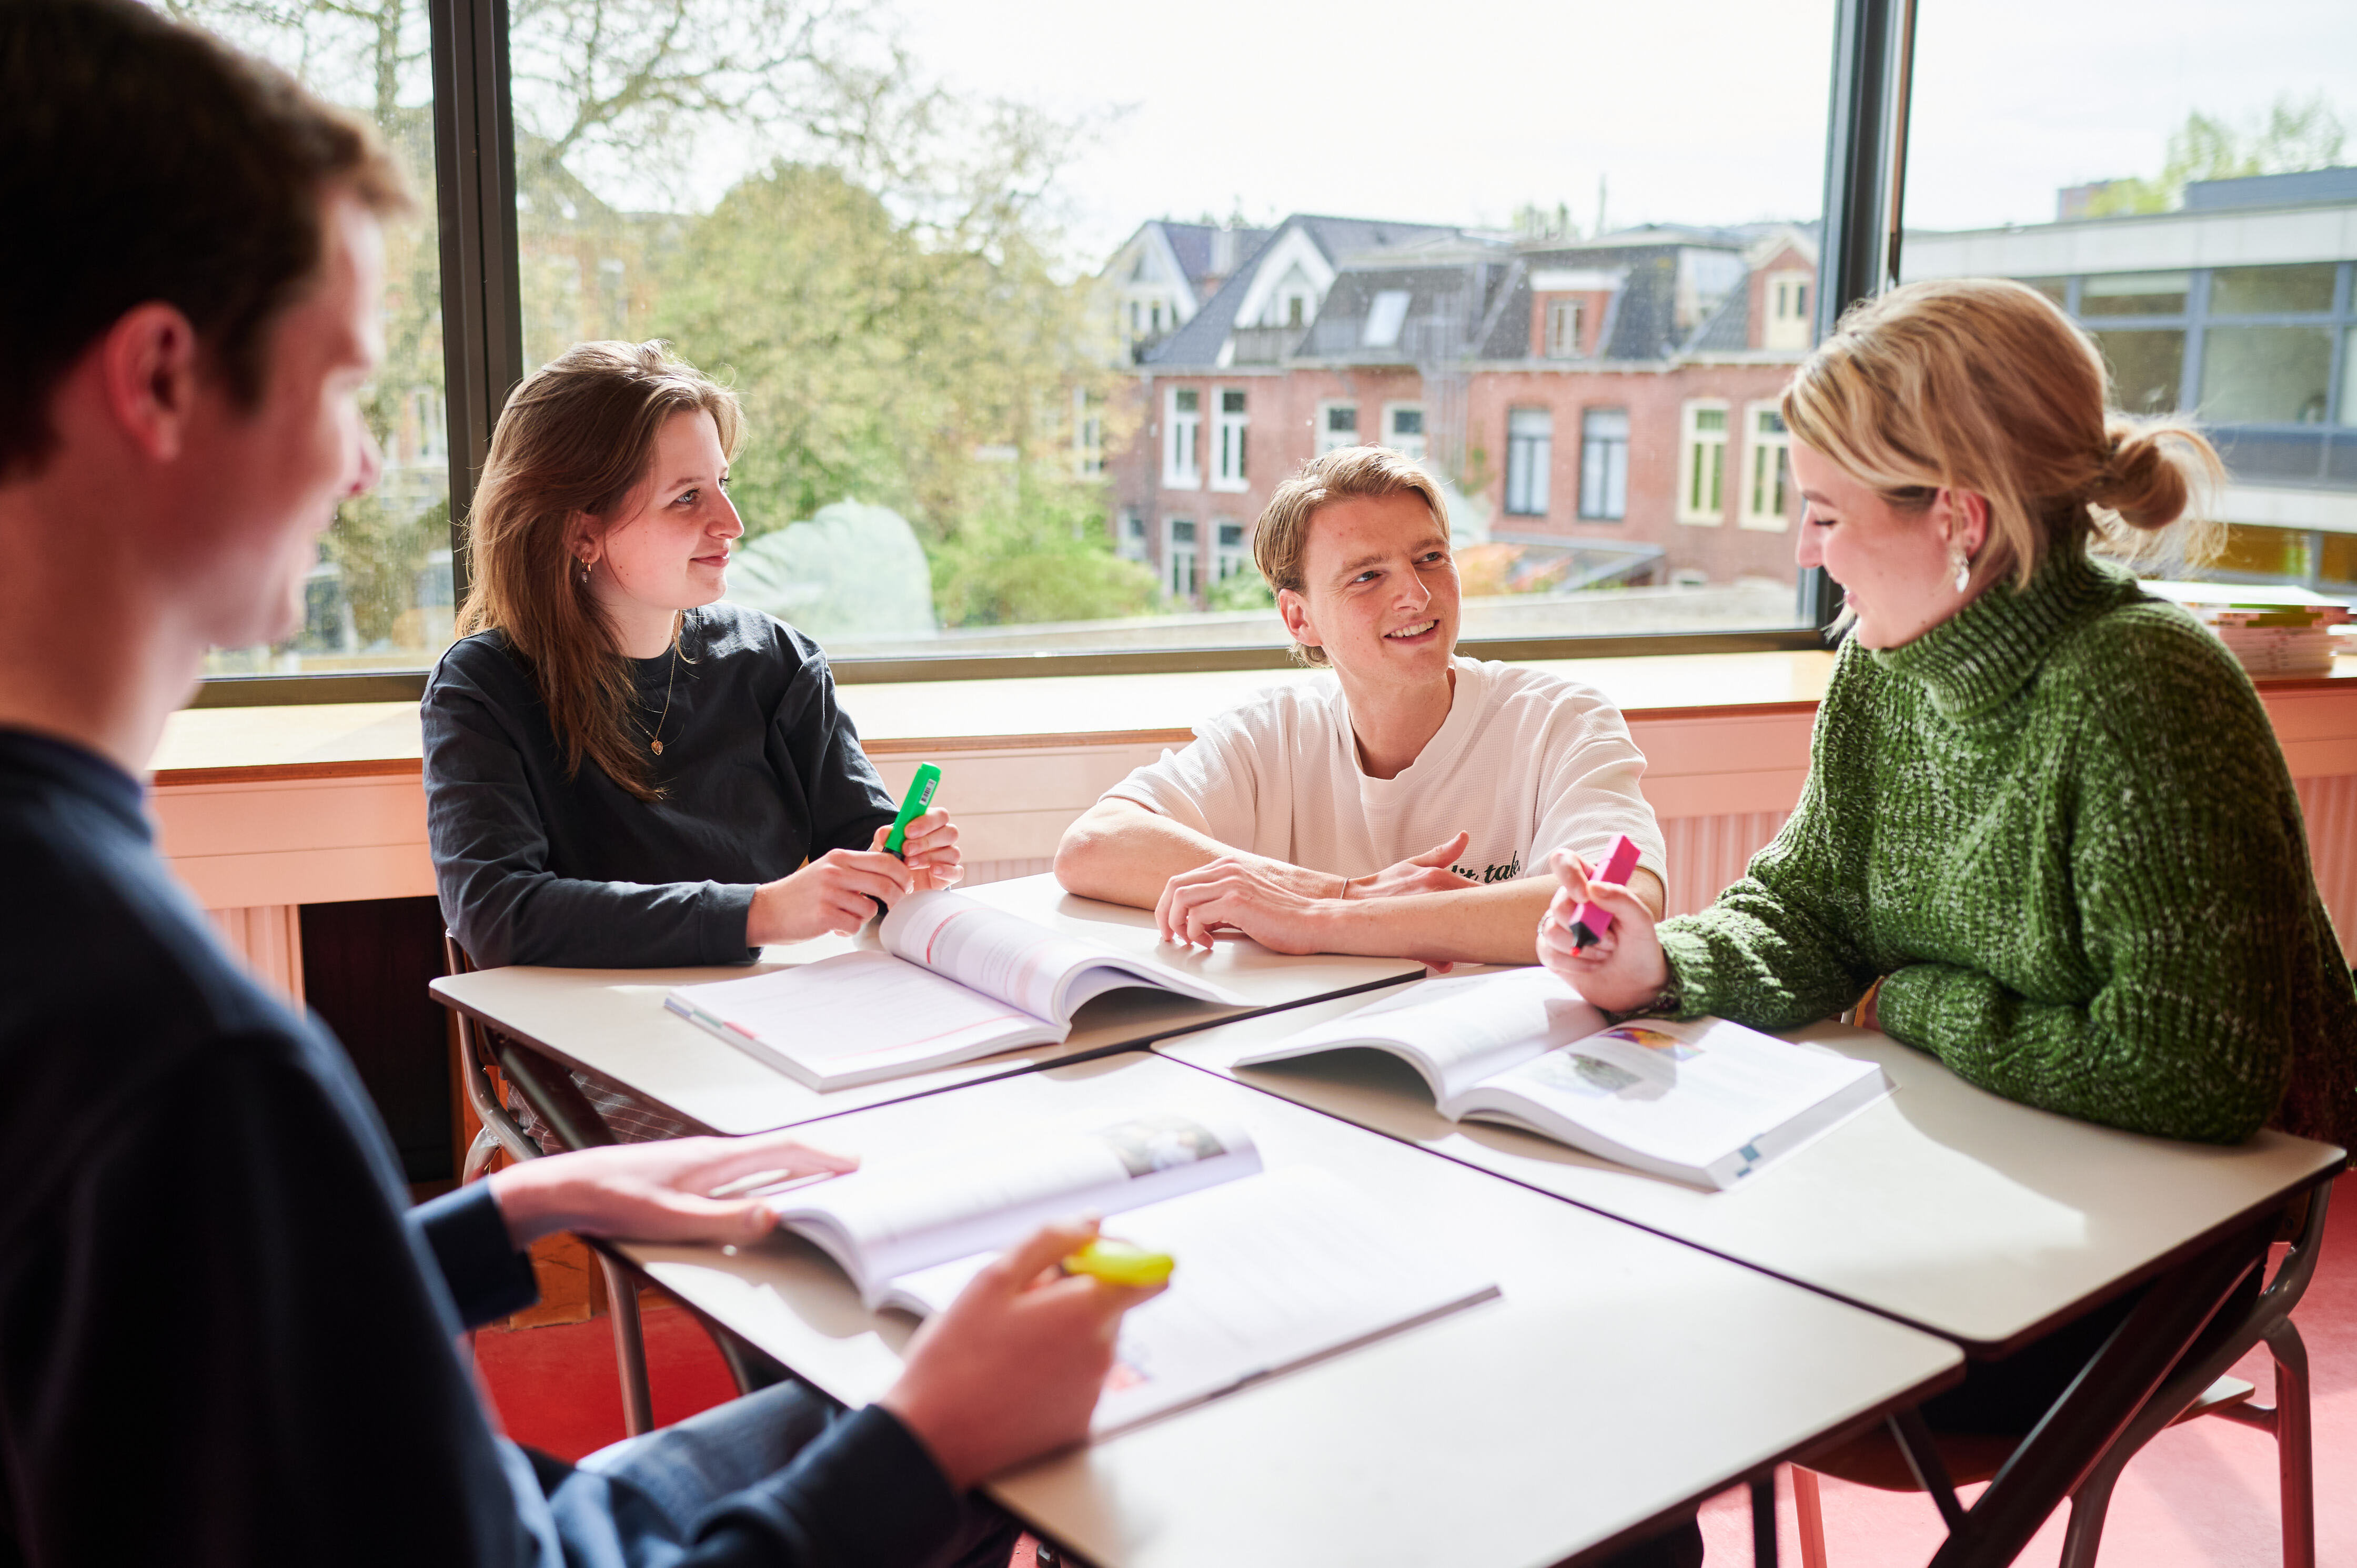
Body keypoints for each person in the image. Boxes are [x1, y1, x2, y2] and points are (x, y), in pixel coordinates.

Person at [0, 3, 1152, 1563]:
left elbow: (201, 1363)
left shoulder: (92, 977)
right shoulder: (194, 1063)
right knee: (963, 1414)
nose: (355, 471)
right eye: (343, 388)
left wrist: (519, 1212)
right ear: (156, 380)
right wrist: (922, 1450)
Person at [1541, 276, 2357, 1438]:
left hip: (2158, 1248)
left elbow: (2188, 1072)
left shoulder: (2143, 685)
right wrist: (1652, 962)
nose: (1804, 544)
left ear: (1956, 520)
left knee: (1687, 1347)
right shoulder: (1884, 667)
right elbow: (1810, 912)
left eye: (1823, 512)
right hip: (1949, 1171)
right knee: (1627, 1297)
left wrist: (1916, 1000)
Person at [425, 341, 959, 1141]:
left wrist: (901, 854)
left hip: (787, 1024)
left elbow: (861, 838)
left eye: (725, 486)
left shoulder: (777, 661)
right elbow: (497, 913)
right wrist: (759, 913)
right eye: (686, 498)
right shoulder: (483, 687)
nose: (732, 524)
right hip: (602, 1054)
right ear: (582, 533)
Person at [1056, 444, 1667, 967]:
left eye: (1430, 558)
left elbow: (1617, 900)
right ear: (1300, 617)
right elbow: (1094, 844)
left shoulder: (1561, 719)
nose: (1417, 593)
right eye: (1367, 576)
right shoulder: (1269, 732)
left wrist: (1316, 918)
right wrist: (1340, 893)